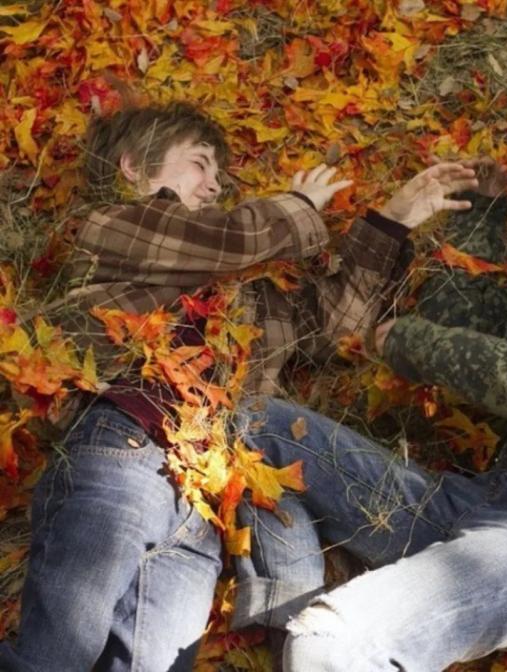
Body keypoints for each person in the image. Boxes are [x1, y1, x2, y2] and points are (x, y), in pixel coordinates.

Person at [0, 102, 478, 671]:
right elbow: (228, 238)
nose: (214, 184)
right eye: (199, 163)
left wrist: (391, 221)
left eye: (219, 174)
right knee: (55, 657)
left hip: (201, 503)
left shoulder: (242, 289)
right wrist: (299, 207)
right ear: (132, 165)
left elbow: (337, 324)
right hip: (124, 445)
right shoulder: (114, 226)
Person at [231, 79, 507, 671]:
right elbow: (468, 324)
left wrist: (416, 345)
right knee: (256, 425)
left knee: (333, 641)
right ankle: (285, 616)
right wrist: (480, 218)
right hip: (483, 506)